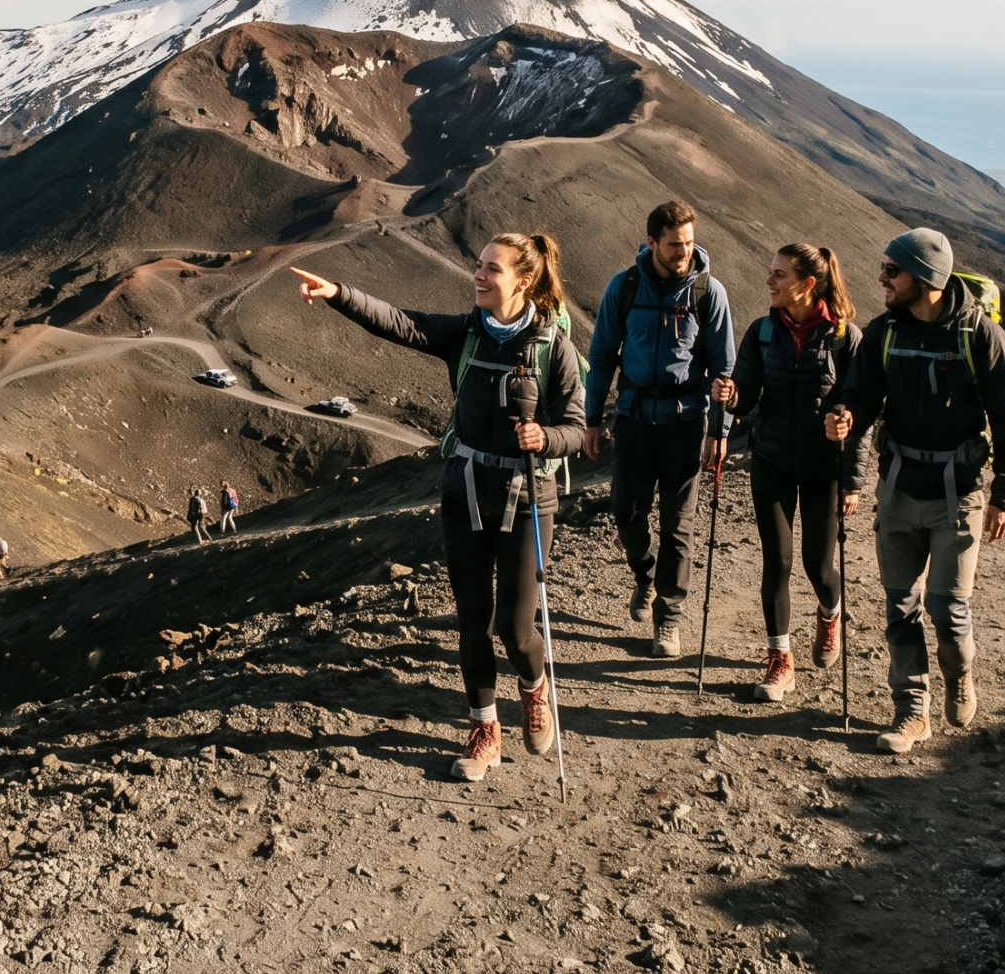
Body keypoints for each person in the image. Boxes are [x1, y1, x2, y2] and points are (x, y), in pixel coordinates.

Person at [291, 231, 588, 783]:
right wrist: (338, 293)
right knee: (472, 620)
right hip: (466, 490)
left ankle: (534, 686)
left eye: (491, 270)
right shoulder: (468, 333)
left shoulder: (554, 348)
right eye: (478, 265)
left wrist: (544, 439)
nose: (478, 275)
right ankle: (484, 730)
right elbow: (400, 322)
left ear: (522, 281)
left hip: (527, 499)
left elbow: (577, 427)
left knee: (516, 628)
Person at [825, 228, 1005, 754]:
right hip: (897, 489)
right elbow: (860, 396)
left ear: (927, 277)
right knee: (899, 606)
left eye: (893, 270)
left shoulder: (979, 336)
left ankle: (959, 673)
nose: (882, 278)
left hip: (959, 494)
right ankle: (912, 711)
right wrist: (846, 417)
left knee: (947, 610)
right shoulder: (884, 332)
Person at [711, 244, 874, 702]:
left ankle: (830, 613)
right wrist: (731, 394)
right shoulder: (762, 332)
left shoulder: (846, 337)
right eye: (770, 272)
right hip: (772, 459)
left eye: (779, 275)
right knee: (777, 561)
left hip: (826, 468)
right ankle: (780, 659)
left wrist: (854, 481)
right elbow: (746, 395)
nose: (769, 281)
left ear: (807, 285)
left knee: (819, 566)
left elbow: (858, 413)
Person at [585, 200, 736, 657]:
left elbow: (723, 367)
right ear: (651, 242)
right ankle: (645, 575)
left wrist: (720, 430)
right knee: (625, 512)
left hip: (685, 424)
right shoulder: (625, 286)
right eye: (674, 245)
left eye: (689, 243)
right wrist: (591, 420)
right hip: (631, 420)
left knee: (678, 527)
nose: (683, 252)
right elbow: (602, 356)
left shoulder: (709, 293)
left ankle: (668, 618)